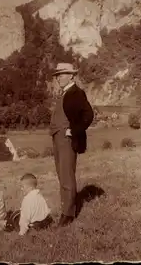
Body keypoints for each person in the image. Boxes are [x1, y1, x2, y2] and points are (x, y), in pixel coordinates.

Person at [49, 62, 94, 227]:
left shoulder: (76, 92)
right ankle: (65, 209)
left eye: (62, 74)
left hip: (67, 139)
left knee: (66, 175)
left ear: (71, 76)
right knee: (62, 175)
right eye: (57, 75)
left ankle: (68, 214)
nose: (58, 77)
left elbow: (88, 115)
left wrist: (74, 130)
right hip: (58, 138)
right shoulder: (65, 93)